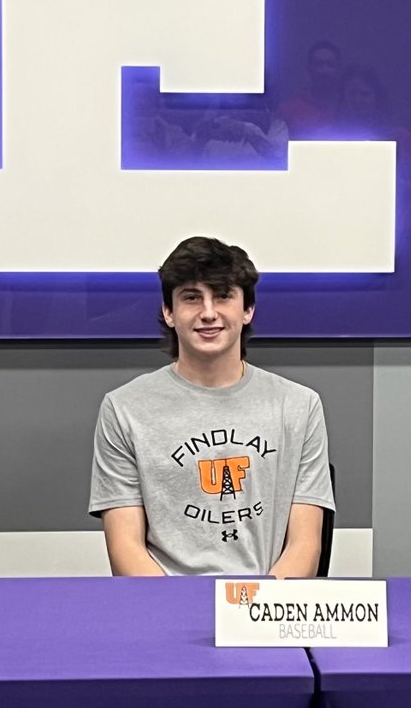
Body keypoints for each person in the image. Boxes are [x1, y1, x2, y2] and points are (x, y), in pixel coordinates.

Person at [89, 236, 334, 576]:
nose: (208, 313)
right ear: (168, 312)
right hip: (166, 608)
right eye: (191, 298)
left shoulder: (299, 406)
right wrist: (179, 615)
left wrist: (254, 613)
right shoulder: (123, 409)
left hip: (264, 610)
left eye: (222, 296)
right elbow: (124, 547)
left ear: (247, 310)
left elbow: (305, 544)